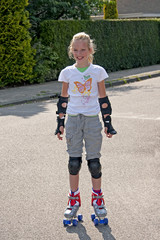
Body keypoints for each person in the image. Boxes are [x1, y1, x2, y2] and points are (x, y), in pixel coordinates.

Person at [55, 32, 117, 221]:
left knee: (94, 164)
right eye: (75, 50)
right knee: (74, 163)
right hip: (73, 120)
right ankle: (73, 199)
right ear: (71, 51)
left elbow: (103, 99)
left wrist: (108, 123)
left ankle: (98, 199)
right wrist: (60, 123)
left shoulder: (98, 71)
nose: (79, 53)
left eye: (83, 50)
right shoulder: (67, 72)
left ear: (90, 50)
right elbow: (63, 100)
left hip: (91, 120)